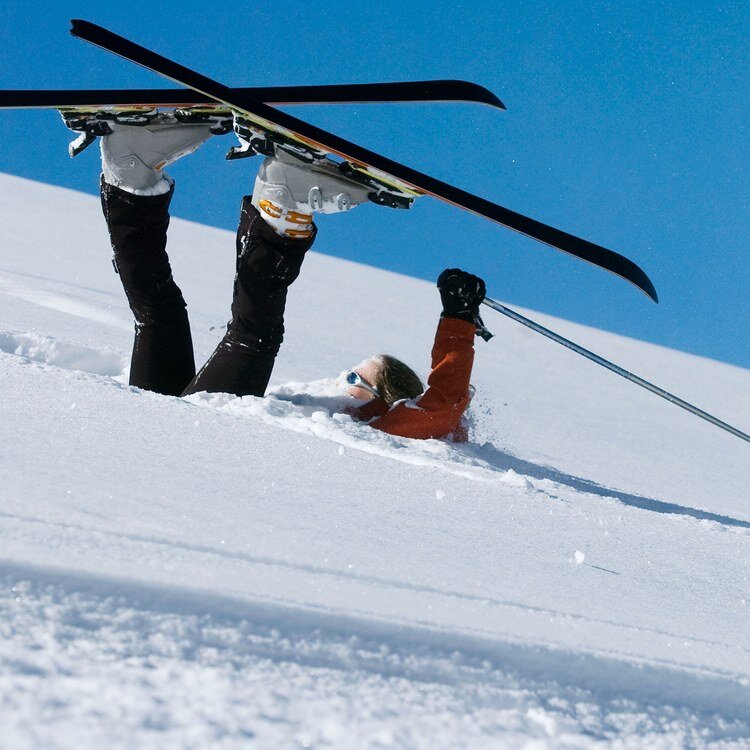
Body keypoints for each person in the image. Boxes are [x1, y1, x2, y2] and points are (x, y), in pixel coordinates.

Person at [62, 112, 489, 440]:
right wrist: (460, 318)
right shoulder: (322, 413)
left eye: (356, 379)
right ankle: (130, 165)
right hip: (171, 443)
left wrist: (459, 319)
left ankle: (283, 200)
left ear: (387, 403)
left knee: (246, 334)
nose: (343, 382)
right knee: (162, 314)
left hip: (194, 446)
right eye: (349, 375)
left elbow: (442, 409)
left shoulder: (376, 436)